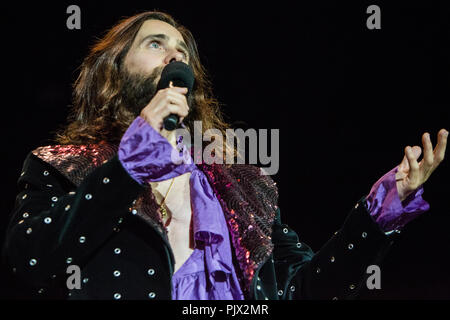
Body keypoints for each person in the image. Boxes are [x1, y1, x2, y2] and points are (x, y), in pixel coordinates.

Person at [2, 11, 447, 300]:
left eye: (183, 53)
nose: (175, 56)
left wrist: (377, 215)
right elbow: (31, 260)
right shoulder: (62, 165)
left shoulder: (238, 183)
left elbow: (303, 290)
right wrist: (132, 161)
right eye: (155, 44)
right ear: (114, 69)